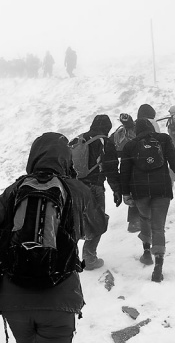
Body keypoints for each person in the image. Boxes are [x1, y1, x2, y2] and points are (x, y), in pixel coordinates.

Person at [0, 133, 93, 343]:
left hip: (14, 299)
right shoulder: (78, 191)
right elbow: (94, 229)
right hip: (60, 297)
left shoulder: (13, 191)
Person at [120, 118, 175, 282]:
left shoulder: (130, 146)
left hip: (139, 191)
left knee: (145, 218)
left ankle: (146, 253)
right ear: (152, 127)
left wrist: (125, 193)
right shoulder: (163, 139)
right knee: (158, 227)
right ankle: (158, 266)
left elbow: (124, 171)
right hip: (162, 189)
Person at [69, 114, 122, 270]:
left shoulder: (79, 139)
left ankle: (70, 257)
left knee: (74, 222)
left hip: (74, 188)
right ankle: (89, 258)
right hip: (94, 187)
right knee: (97, 221)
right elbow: (112, 169)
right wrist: (117, 191)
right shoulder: (105, 142)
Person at [109, 113, 140, 233]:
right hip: (136, 162)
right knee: (137, 189)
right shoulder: (137, 129)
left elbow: (111, 146)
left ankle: (133, 222)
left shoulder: (118, 133)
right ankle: (137, 221)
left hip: (123, 163)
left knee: (130, 190)